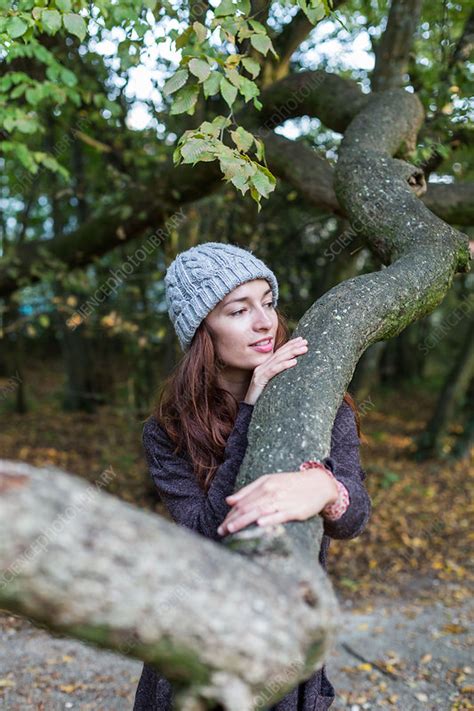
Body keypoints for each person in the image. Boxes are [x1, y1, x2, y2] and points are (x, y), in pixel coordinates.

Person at [133, 241, 372, 711]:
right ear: (203, 330)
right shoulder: (168, 432)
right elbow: (208, 533)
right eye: (238, 310)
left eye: (267, 302)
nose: (264, 322)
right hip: (196, 643)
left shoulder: (320, 404)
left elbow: (353, 519)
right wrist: (250, 409)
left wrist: (326, 488)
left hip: (286, 639)